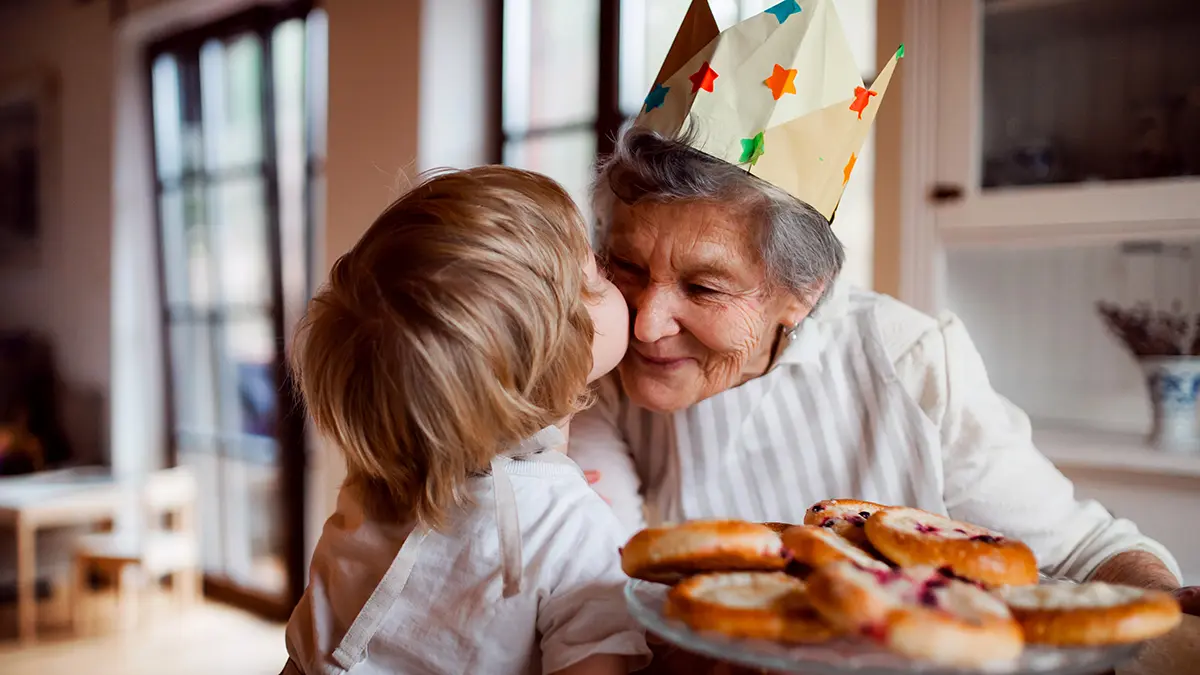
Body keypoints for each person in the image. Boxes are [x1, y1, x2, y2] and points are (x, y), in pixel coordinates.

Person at [571, 125, 1198, 612]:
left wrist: (1166, 608)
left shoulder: (909, 360)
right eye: (624, 266)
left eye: (704, 289)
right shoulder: (600, 357)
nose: (647, 324)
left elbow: (1088, 555)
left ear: (806, 289)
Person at [282, 166, 648, 675]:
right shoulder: (572, 533)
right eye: (598, 276)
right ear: (562, 363)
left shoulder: (366, 499)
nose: (620, 285)